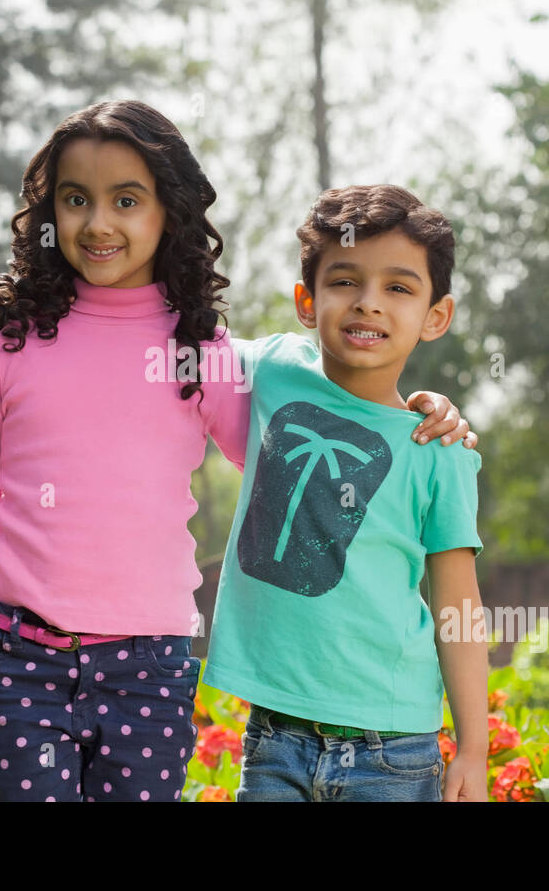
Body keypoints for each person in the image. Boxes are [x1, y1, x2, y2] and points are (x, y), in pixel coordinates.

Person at [0, 100, 477, 801]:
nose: (99, 222)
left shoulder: (201, 350)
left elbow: (310, 418)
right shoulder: (3, 350)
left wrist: (430, 413)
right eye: (76, 199)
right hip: (22, 661)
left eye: (126, 200)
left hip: (152, 667)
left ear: (167, 211)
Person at [203, 183, 489, 801]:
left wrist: (473, 748)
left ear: (435, 316)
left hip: (395, 748)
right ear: (307, 301)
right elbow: (168, 334)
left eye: (399, 287)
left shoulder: (439, 450)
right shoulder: (272, 369)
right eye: (344, 282)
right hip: (274, 735)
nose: (369, 304)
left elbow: (458, 608)